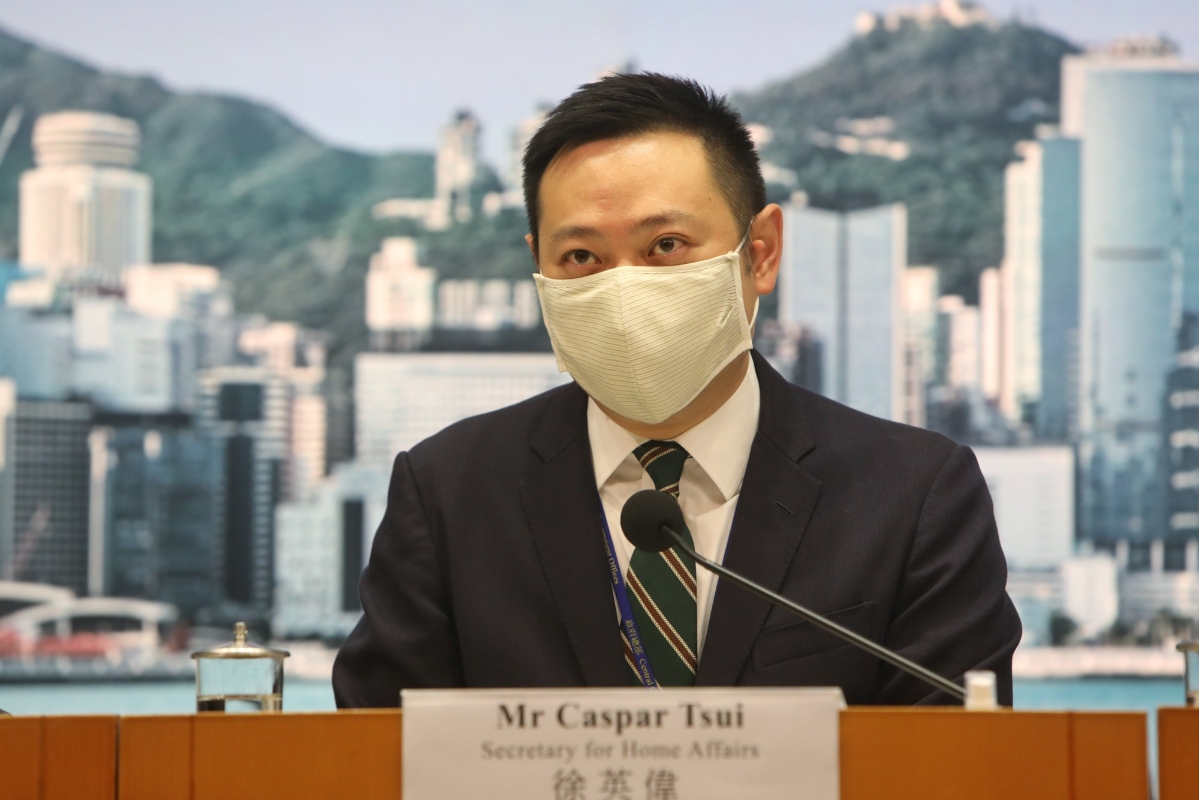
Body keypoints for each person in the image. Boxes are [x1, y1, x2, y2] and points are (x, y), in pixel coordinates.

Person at [333, 72, 1021, 707]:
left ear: (759, 253)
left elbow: (956, 760)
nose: (622, 289)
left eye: (665, 245)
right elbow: (376, 756)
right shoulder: (449, 493)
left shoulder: (912, 496)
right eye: (581, 257)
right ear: (538, 268)